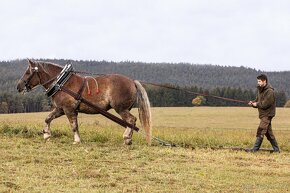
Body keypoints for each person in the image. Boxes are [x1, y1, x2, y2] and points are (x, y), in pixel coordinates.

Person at [247, 74, 280, 153]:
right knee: (268, 133)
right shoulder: (260, 90)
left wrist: (257, 104)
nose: (258, 83)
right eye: (257, 81)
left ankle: (254, 150)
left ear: (264, 81)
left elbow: (265, 104)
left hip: (268, 115)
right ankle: (276, 150)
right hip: (263, 115)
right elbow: (257, 100)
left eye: (259, 81)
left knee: (261, 130)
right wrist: (253, 103)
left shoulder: (270, 91)